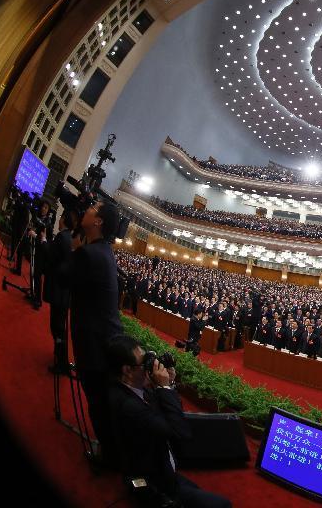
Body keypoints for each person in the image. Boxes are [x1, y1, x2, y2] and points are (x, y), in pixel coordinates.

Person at [106, 335, 231, 508]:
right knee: (223, 505)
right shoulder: (128, 406)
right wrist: (163, 388)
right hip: (157, 482)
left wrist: (169, 384)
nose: (149, 368)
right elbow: (180, 432)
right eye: (144, 363)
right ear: (127, 370)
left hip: (164, 463)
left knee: (198, 489)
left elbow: (172, 413)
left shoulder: (133, 388)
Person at [69, 200, 124, 468]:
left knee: (98, 402)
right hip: (105, 338)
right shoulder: (102, 251)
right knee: (102, 401)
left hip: (94, 343)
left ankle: (110, 457)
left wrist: (70, 249)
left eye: (93, 208)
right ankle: (111, 449)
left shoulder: (89, 254)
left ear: (99, 221)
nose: (87, 209)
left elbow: (59, 277)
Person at [44, 209, 76, 374]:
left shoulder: (62, 237)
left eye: (60, 217)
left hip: (59, 290)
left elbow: (51, 258)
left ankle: (62, 363)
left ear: (63, 219)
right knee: (59, 327)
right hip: (63, 292)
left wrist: (43, 241)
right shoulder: (68, 238)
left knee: (57, 327)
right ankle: (60, 358)